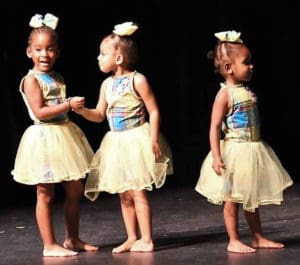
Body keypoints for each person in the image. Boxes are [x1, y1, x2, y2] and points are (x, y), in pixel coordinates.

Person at [74, 21, 173, 254]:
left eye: (102, 54)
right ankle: (131, 237)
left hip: (136, 139)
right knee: (123, 194)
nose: (98, 58)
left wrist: (153, 138)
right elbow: (99, 115)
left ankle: (146, 239)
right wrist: (82, 111)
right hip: (116, 143)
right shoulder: (106, 84)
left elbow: (154, 110)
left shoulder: (138, 80)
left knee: (138, 191)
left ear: (118, 58)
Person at [195, 30, 293, 254]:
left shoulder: (246, 89)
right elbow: (214, 127)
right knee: (233, 199)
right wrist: (217, 156)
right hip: (235, 152)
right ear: (229, 67)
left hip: (253, 149)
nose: (251, 66)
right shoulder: (225, 94)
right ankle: (234, 239)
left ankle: (257, 237)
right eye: (246, 62)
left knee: (251, 199)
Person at [11, 13, 99, 257]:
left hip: (64, 135)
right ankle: (49, 244)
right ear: (29, 52)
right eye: (38, 49)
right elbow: (40, 111)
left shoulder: (57, 77)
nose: (44, 54)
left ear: (57, 52)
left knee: (75, 189)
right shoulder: (30, 80)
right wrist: (69, 104)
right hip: (43, 139)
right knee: (45, 193)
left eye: (50, 49)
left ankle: (72, 238)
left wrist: (75, 108)